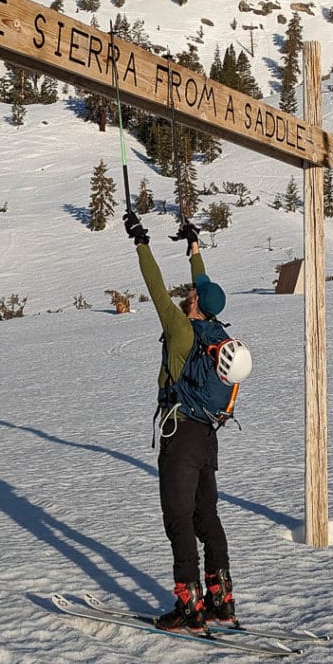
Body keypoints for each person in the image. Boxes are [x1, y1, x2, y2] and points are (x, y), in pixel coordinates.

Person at [123, 209, 237, 634]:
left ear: (192, 304)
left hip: (180, 435)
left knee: (179, 519)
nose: (191, 292)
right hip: (208, 437)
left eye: (192, 293)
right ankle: (221, 601)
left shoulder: (179, 328)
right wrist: (194, 246)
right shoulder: (217, 334)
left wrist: (141, 241)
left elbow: (154, 287)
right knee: (208, 516)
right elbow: (205, 284)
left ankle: (188, 607)